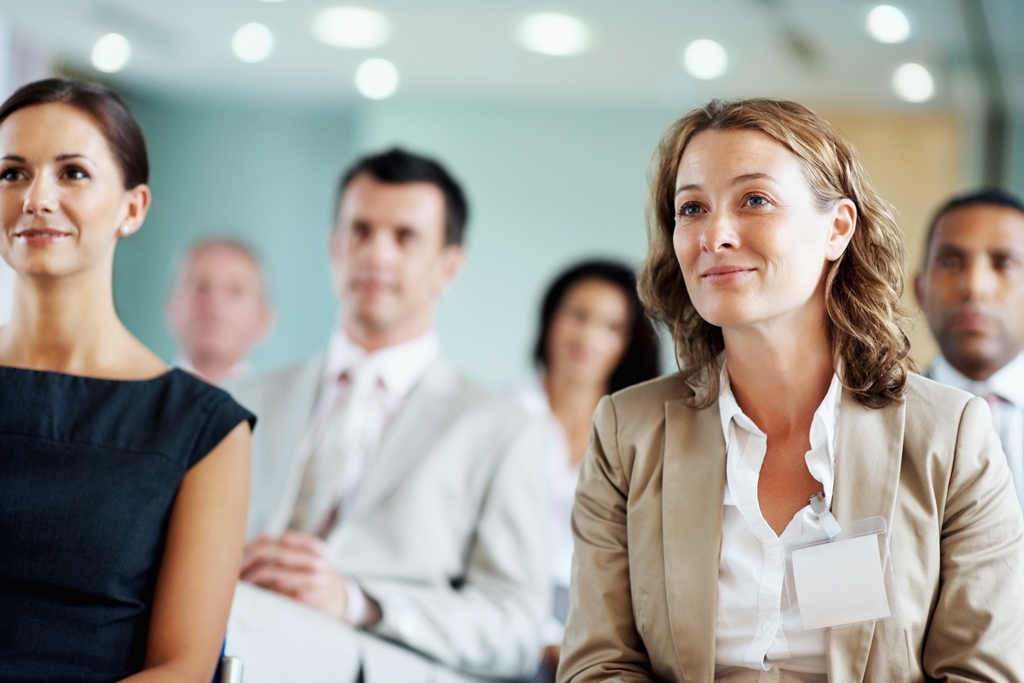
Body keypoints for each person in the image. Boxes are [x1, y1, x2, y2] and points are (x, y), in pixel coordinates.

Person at [558, 98, 1024, 682]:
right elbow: (599, 663)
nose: (715, 235)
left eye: (754, 200)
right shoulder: (628, 430)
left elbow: (983, 672)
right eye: (692, 208)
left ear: (837, 229)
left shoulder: (949, 434)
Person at [226, 147, 548, 683]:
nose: (376, 254)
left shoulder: (501, 430)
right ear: (334, 246)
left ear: (449, 266)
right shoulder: (245, 398)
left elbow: (515, 629)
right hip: (232, 639)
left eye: (404, 237)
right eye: (360, 230)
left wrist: (358, 602)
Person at [0, 79, 253, 682]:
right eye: (12, 173)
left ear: (132, 208)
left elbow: (183, 668)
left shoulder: (206, 432)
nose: (36, 197)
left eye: (73, 174)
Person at [514, 259, 660, 683]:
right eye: (578, 316)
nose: (589, 337)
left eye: (611, 327)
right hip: (508, 621)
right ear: (550, 319)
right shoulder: (500, 420)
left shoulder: (641, 438)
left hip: (596, 637)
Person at [915, 189, 1024, 509]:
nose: (975, 286)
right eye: (950, 262)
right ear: (921, 291)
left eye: (1003, 263)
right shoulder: (878, 423)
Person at [166, 237, 273, 384]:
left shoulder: (282, 405)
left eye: (235, 290)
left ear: (263, 318)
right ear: (171, 306)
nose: (215, 302)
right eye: (201, 286)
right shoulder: (137, 398)